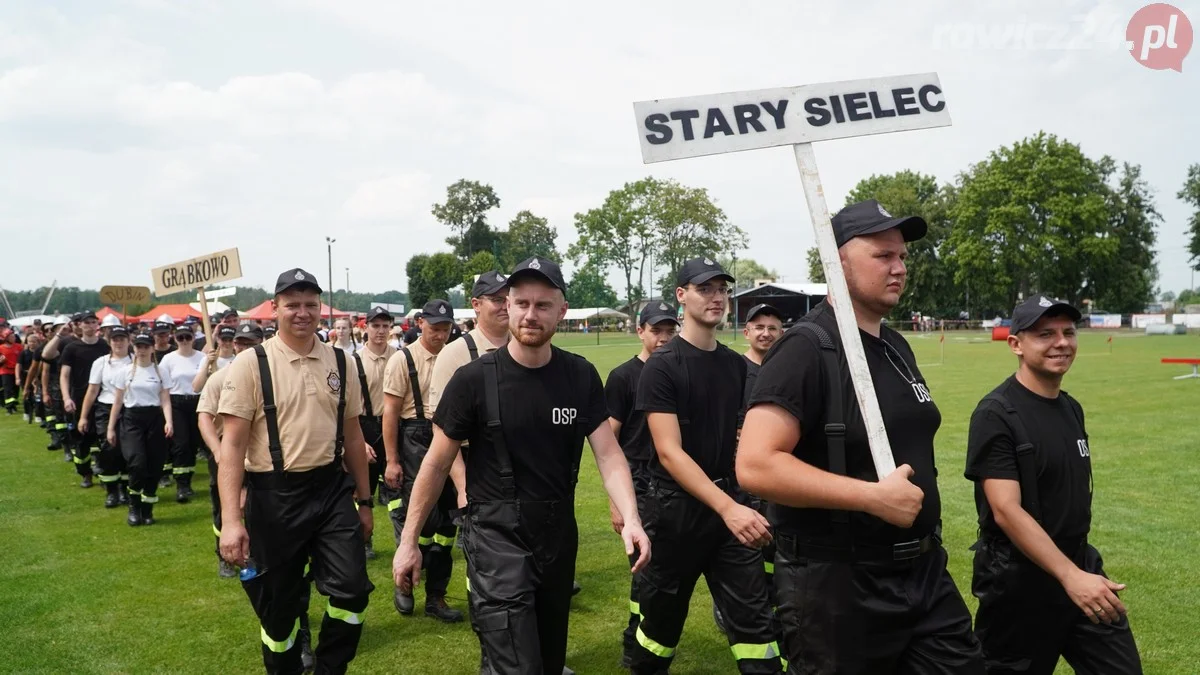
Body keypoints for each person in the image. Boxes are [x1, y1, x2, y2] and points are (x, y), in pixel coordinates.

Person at [736, 199, 984, 674]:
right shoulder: (806, 347)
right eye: (883, 255)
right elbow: (755, 463)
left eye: (903, 257)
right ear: (838, 261)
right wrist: (870, 498)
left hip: (923, 572)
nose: (899, 267)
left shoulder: (894, 345)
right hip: (839, 585)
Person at [393, 256, 650, 675]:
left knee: (547, 662)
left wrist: (633, 517)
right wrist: (407, 544)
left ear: (561, 311)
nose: (531, 314)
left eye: (543, 305)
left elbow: (607, 453)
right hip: (494, 536)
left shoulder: (579, 376)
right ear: (507, 306)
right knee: (518, 663)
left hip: (556, 535)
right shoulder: (473, 380)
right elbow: (436, 464)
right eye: (522, 303)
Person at [965, 296, 1142, 674]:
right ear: (1016, 344)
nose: (1061, 343)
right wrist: (1069, 577)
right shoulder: (996, 414)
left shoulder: (1070, 407)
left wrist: (1078, 572)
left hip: (1080, 565)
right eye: (1045, 334)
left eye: (1068, 332)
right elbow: (1006, 510)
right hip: (1019, 583)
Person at [629, 257, 782, 675]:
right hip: (676, 516)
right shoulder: (662, 366)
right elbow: (669, 453)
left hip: (729, 511)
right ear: (681, 296)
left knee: (756, 627)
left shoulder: (736, 366)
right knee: (659, 631)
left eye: (723, 290)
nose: (717, 298)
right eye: (705, 289)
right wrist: (728, 507)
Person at [217, 268, 374, 675]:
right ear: (276, 309)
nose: (302, 313)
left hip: (330, 490)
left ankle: (329, 667)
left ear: (319, 308)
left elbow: (354, 436)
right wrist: (232, 520)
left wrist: (365, 500)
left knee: (353, 591)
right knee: (280, 612)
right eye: (293, 305)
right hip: (274, 495)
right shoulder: (251, 364)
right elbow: (231, 447)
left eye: (310, 304)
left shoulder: (341, 360)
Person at [604, 301, 679, 666]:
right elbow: (609, 443)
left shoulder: (679, 371)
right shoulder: (623, 377)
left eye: (670, 330)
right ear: (640, 331)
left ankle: (646, 637)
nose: (663, 337)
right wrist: (617, 502)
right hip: (636, 478)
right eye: (656, 330)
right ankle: (633, 639)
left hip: (671, 478)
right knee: (644, 567)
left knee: (662, 564)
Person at [380, 299, 462, 622]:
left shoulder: (455, 355)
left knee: (446, 526)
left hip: (450, 434)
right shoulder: (403, 359)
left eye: (446, 329)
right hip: (415, 435)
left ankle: (436, 596)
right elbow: (389, 413)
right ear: (420, 323)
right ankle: (405, 584)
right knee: (419, 520)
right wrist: (391, 460)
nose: (441, 335)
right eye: (435, 328)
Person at [711, 302, 785, 637]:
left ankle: (770, 602)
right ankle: (733, 605)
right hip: (740, 477)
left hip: (776, 475)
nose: (766, 333)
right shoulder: (734, 369)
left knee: (773, 542)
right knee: (744, 546)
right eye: (759, 327)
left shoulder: (784, 369)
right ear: (747, 332)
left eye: (772, 327)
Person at [197, 324, 263, 578]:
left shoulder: (270, 376)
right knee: (226, 504)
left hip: (260, 451)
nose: (244, 348)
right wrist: (217, 450)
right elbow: (204, 417)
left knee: (255, 503)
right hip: (227, 449)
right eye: (240, 344)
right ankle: (225, 555)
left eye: (250, 343)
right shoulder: (220, 377)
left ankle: (256, 551)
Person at [108, 332, 174, 526]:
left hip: (154, 418)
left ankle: (147, 509)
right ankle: (134, 505)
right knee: (137, 462)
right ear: (133, 348)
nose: (142, 351)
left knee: (155, 465)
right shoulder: (125, 372)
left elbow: (165, 399)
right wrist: (111, 428)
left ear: (152, 348)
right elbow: (118, 401)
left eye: (145, 347)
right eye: (138, 347)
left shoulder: (161, 371)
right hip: (132, 419)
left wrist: (168, 421)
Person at [351, 306, 397, 562]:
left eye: (385, 326)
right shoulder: (355, 360)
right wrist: (361, 440)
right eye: (375, 326)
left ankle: (404, 540)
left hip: (392, 426)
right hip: (364, 425)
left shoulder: (399, 357)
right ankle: (365, 540)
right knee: (362, 490)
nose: (380, 331)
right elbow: (349, 407)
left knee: (397, 489)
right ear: (365, 327)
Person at [79, 327, 133, 508]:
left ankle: (125, 489)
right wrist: (83, 417)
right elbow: (93, 390)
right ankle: (112, 491)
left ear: (128, 341)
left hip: (130, 408)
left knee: (128, 450)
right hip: (105, 408)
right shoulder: (100, 363)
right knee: (108, 449)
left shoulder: (136, 361)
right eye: (115, 339)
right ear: (109, 342)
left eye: (122, 339)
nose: (119, 343)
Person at [159, 323, 207, 502]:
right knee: (181, 443)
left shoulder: (202, 357)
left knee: (193, 444)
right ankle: (182, 484)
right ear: (175, 339)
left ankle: (188, 476)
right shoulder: (168, 359)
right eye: (181, 338)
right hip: (177, 402)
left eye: (188, 337)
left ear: (194, 338)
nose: (185, 341)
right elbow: (163, 385)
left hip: (197, 401)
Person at [0, 328, 22, 415]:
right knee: (8, 389)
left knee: (16, 389)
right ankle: (9, 408)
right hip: (5, 371)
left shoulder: (19, 347)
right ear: (6, 338)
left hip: (16, 371)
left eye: (14, 336)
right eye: (11, 336)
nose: (14, 338)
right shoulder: (1, 348)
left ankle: (14, 405)